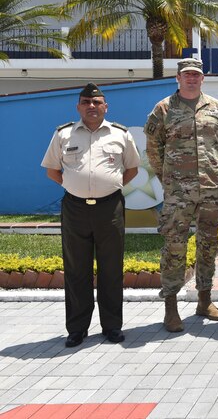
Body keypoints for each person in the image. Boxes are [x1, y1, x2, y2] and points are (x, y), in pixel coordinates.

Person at [41, 83, 140, 347]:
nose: (92, 106)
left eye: (97, 102)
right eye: (86, 102)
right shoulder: (63, 135)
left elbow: (131, 169)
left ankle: (112, 327)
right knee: (76, 269)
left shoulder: (120, 134)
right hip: (75, 208)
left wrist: (109, 186)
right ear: (79, 107)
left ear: (105, 106)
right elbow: (52, 170)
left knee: (111, 268)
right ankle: (76, 328)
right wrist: (74, 186)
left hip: (110, 208)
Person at [144, 58, 218, 332]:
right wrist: (168, 179)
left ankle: (204, 300)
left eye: (196, 75)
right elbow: (153, 149)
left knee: (208, 246)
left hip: (210, 190)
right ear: (178, 78)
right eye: (187, 75)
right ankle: (171, 307)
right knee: (174, 247)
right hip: (178, 193)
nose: (192, 79)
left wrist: (214, 169)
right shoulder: (163, 109)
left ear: (202, 78)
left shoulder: (216, 108)